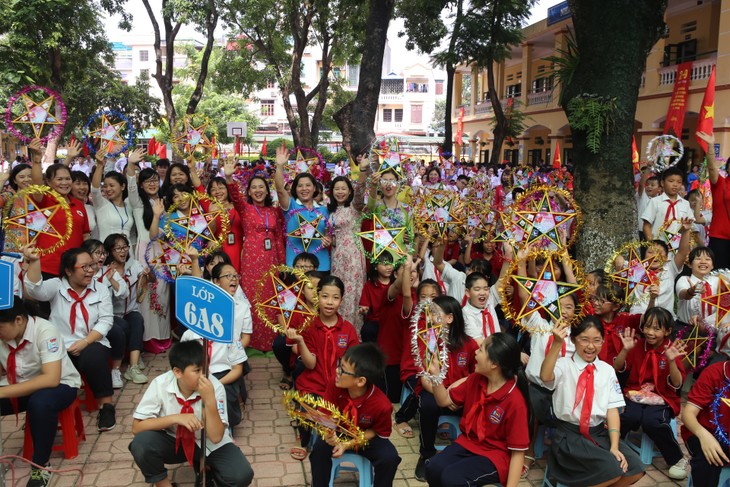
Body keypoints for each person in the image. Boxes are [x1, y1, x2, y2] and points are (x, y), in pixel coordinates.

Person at [128, 340, 254, 487]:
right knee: (141, 444)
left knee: (241, 476)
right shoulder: (160, 383)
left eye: (206, 369)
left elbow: (216, 437)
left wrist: (210, 401)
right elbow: (137, 427)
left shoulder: (215, 386)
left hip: (209, 443)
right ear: (177, 372)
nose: (204, 376)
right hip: (174, 439)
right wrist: (176, 418)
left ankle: (209, 472)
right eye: (197, 371)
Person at [540, 316, 645, 487]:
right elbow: (545, 376)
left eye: (597, 341)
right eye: (584, 340)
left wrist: (614, 445)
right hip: (569, 437)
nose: (590, 346)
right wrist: (557, 344)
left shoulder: (607, 370)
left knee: (636, 467)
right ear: (573, 340)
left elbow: (612, 410)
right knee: (612, 470)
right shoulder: (564, 364)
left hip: (598, 434)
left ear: (603, 341)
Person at [22, 246, 117, 432]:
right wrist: (34, 261)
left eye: (92, 266)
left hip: (91, 342)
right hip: (60, 347)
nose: (90, 270)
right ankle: (41, 410)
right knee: (41, 360)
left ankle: (106, 407)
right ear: (68, 270)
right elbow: (35, 290)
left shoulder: (100, 288)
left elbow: (106, 321)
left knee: (94, 355)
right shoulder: (57, 286)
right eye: (85, 267)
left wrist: (85, 342)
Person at [424, 333, 530, 487]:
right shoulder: (475, 379)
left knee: (452, 478)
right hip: (468, 443)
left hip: (496, 456)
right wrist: (436, 375)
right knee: (433, 468)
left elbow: (518, 452)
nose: (475, 353)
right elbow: (443, 401)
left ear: (494, 364)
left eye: (480, 350)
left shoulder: (514, 401)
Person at [0, 297, 81, 487]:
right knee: (35, 399)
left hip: (61, 385)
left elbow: (51, 379)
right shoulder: (5, 336)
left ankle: (41, 467)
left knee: (40, 403)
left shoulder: (45, 331)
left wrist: (4, 392)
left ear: (18, 320)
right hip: (20, 384)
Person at [286, 275, 360, 459]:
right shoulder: (309, 326)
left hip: (339, 388)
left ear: (341, 300)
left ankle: (339, 440)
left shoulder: (348, 329)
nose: (329, 302)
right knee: (307, 405)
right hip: (314, 385)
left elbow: (355, 363)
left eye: (335, 297)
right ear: (318, 297)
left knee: (349, 412)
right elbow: (310, 364)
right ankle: (302, 439)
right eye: (325, 296)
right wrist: (301, 342)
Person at [309, 343, 402, 487]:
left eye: (343, 370)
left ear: (360, 381)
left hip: (365, 436)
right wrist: (329, 432)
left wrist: (348, 444)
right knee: (319, 449)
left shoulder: (382, 405)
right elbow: (326, 415)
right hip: (339, 431)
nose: (337, 371)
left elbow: (377, 431)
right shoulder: (335, 384)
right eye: (340, 365)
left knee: (389, 458)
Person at [613, 307, 688, 479]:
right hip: (635, 393)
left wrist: (671, 362)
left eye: (656, 328)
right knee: (627, 417)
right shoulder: (638, 345)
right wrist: (625, 350)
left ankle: (677, 458)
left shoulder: (671, 350)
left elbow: (676, 384)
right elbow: (617, 368)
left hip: (662, 397)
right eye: (647, 327)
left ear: (668, 330)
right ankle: (615, 449)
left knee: (652, 422)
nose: (650, 332)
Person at [415, 295, 479, 481]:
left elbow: (476, 376)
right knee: (428, 406)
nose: (429, 318)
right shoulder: (428, 341)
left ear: (450, 318)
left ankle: (468, 451)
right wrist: (445, 394)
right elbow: (425, 378)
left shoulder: (469, 344)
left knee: (476, 405)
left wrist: (456, 395)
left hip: (461, 395)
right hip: (434, 391)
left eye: (434, 314)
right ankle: (426, 454)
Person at [224, 159, 285, 351]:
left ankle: (271, 340)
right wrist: (228, 177)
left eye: (262, 187)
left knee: (271, 299)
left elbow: (278, 239)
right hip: (251, 260)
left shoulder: (274, 212)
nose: (258, 190)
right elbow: (234, 195)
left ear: (267, 191)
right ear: (249, 192)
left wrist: (282, 263)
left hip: (272, 260)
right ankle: (253, 340)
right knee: (252, 299)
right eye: (254, 188)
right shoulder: (245, 208)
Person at [29, 139, 91, 278]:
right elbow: (36, 185)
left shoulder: (79, 204)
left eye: (68, 179)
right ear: (49, 183)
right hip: (49, 268)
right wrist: (37, 160)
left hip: (75, 270)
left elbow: (85, 235)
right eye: (59, 180)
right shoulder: (44, 201)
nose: (64, 183)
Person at [126, 162, 171, 352]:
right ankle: (147, 338)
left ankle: (163, 335)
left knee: (163, 293)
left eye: (155, 180)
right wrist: (130, 164)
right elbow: (130, 185)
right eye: (147, 181)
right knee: (146, 295)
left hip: (163, 252)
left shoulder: (164, 201)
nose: (152, 184)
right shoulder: (137, 203)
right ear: (141, 184)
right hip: (145, 252)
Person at [274, 144, 331, 271]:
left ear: (315, 188)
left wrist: (328, 240)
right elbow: (279, 189)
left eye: (308, 185)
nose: (304, 189)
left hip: (321, 266)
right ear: (295, 189)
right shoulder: (291, 206)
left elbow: (328, 235)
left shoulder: (324, 210)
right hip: (295, 265)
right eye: (300, 186)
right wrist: (279, 166)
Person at [103, 233, 148, 384]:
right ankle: (132, 355)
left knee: (137, 320)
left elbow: (148, 281)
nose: (123, 251)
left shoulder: (134, 265)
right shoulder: (105, 270)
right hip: (113, 314)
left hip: (130, 310)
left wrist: (149, 274)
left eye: (125, 247)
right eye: (118, 248)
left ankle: (133, 367)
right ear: (110, 251)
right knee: (123, 326)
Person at [681, 360, 730, 487]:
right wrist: (704, 435)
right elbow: (688, 414)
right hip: (704, 432)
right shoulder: (714, 373)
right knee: (708, 461)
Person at [328, 172, 367, 331]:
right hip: (336, 256)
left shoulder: (355, 207)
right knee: (337, 290)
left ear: (350, 191)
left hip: (352, 255)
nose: (340, 192)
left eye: (344, 188)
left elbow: (360, 191)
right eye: (336, 189)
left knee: (353, 293)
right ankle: (336, 329)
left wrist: (363, 171)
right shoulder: (330, 209)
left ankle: (352, 332)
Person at [697, 131, 730, 269]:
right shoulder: (721, 183)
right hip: (720, 239)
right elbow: (711, 167)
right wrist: (710, 146)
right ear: (727, 167)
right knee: (719, 276)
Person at [641, 167, 692, 240]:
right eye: (671, 181)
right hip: (658, 246)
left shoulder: (685, 204)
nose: (675, 184)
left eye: (679, 182)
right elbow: (646, 226)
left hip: (677, 247)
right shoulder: (655, 202)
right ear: (662, 183)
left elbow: (689, 226)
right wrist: (652, 245)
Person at [208, 175, 244, 273]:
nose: (217, 192)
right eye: (213, 189)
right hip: (220, 251)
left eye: (221, 188)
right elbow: (210, 233)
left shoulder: (238, 207)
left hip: (240, 250)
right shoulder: (210, 209)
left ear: (227, 190)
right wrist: (212, 215)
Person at [359, 255, 394, 343]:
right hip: (375, 321)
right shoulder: (369, 285)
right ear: (375, 267)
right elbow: (365, 306)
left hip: (391, 321)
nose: (389, 267)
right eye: (385, 264)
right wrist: (364, 310)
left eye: (390, 263)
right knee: (367, 330)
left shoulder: (395, 284)